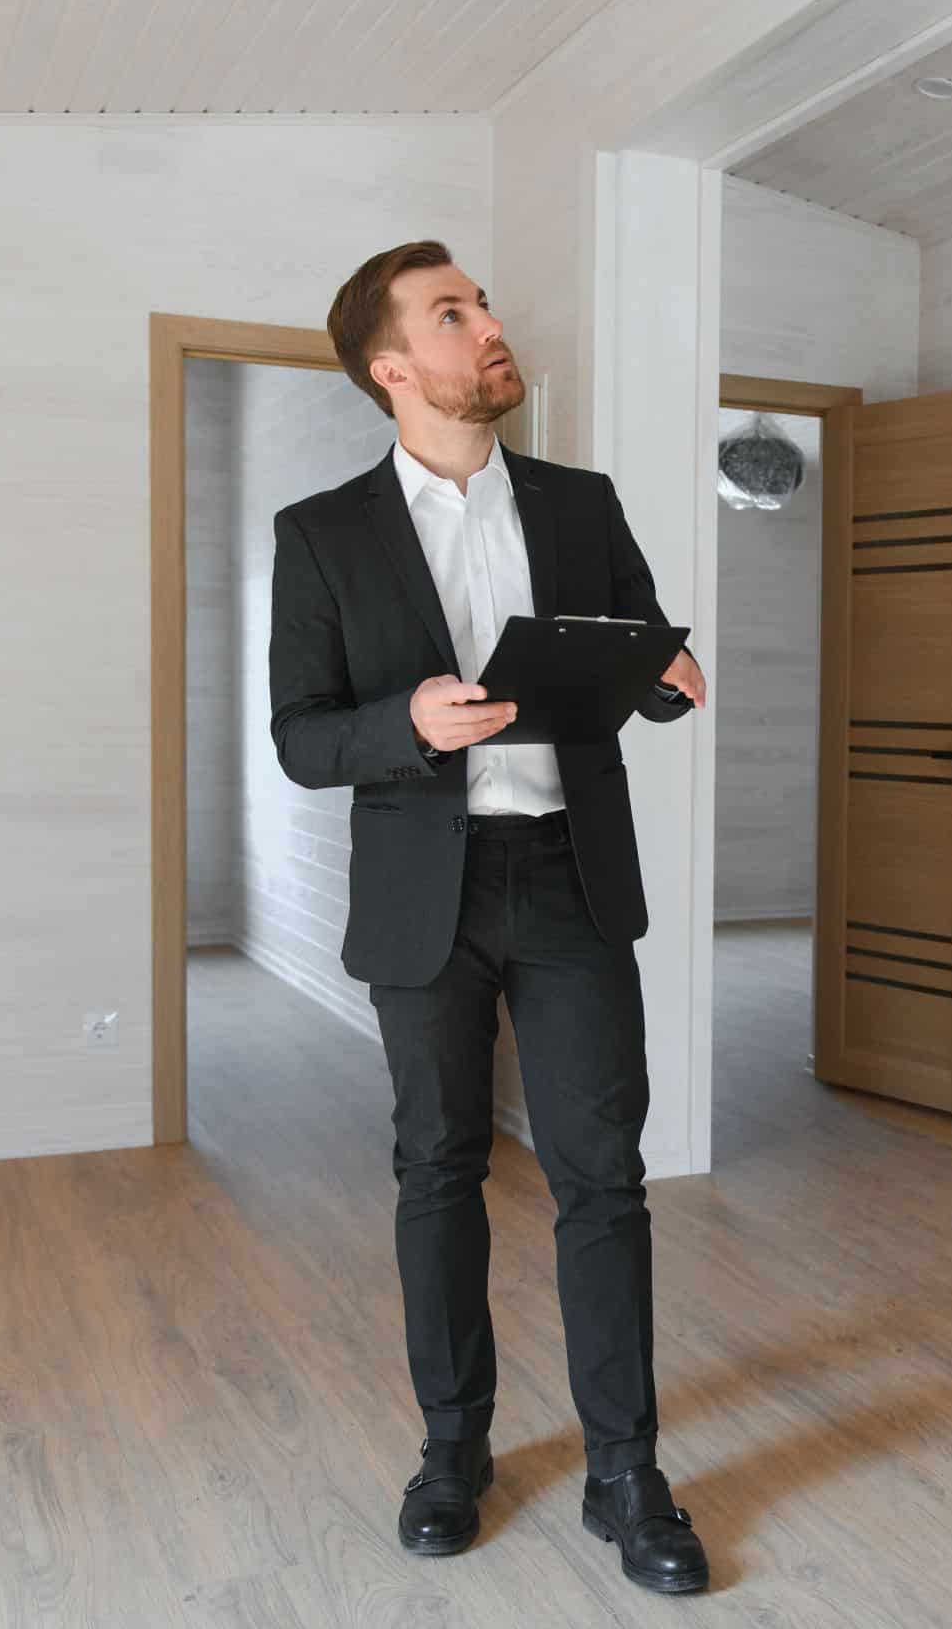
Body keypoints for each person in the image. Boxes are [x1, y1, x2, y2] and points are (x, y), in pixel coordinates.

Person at [267, 239, 711, 1596]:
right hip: (426, 899)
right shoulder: (322, 534)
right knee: (437, 1173)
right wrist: (401, 721)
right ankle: (453, 1447)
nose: (491, 326)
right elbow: (299, 737)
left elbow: (641, 647)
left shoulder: (582, 503)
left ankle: (626, 1469)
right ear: (392, 367)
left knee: (603, 1178)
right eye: (455, 314)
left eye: (485, 305)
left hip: (573, 878)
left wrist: (667, 673)